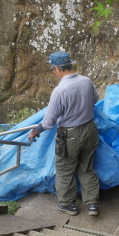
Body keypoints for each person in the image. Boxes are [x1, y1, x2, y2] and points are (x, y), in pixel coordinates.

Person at [28, 51, 100, 216]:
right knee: (87, 168)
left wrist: (35, 131)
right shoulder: (86, 81)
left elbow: (48, 122)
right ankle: (93, 205)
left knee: (65, 169)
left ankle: (68, 205)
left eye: (53, 68)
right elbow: (95, 100)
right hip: (90, 130)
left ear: (57, 68)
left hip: (70, 135)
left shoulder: (60, 91)